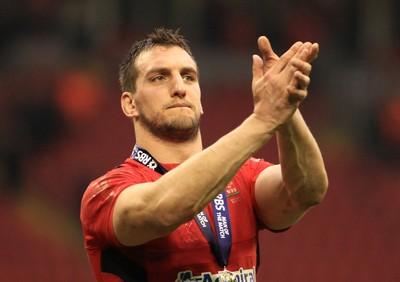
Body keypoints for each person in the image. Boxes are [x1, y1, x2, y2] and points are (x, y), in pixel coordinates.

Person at [80, 28, 328, 282]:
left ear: (200, 100)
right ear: (129, 104)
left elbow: (307, 191)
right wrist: (262, 120)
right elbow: (164, 210)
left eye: (189, 77)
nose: (179, 87)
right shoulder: (105, 193)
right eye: (159, 78)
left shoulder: (245, 176)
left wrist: (286, 110)